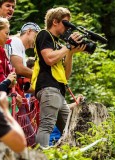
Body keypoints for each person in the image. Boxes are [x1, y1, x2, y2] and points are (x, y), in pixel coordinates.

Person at [32, 7, 85, 147]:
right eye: (65, 23)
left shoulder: (58, 45)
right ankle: (41, 157)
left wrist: (70, 52)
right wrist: (68, 46)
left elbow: (65, 75)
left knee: (70, 129)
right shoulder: (44, 35)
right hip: (48, 88)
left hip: (58, 91)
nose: (67, 28)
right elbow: (49, 59)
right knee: (46, 126)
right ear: (55, 22)